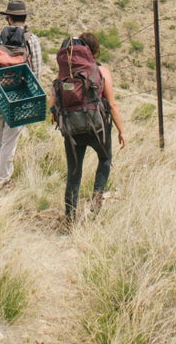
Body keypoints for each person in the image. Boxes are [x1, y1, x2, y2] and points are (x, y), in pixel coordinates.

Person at [52, 31, 126, 226]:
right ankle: (96, 200)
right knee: (105, 159)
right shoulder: (101, 71)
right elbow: (112, 105)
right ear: (93, 50)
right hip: (97, 128)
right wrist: (121, 130)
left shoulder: (64, 74)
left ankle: (70, 218)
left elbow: (52, 103)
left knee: (74, 173)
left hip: (72, 129)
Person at [0, 0, 43, 191]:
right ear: (24, 18)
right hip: (20, 97)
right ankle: (3, 180)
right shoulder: (31, 40)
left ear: (8, 18)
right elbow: (37, 72)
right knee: (10, 140)